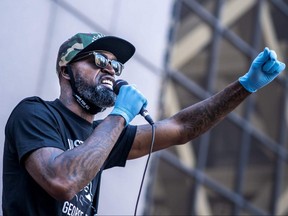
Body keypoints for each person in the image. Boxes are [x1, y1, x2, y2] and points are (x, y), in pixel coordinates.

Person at [2, 32, 286, 216]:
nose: (110, 70)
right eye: (99, 60)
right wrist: (121, 114)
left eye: (116, 66)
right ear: (66, 70)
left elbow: (180, 127)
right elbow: (63, 181)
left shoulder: (103, 135)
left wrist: (245, 87)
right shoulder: (34, 114)